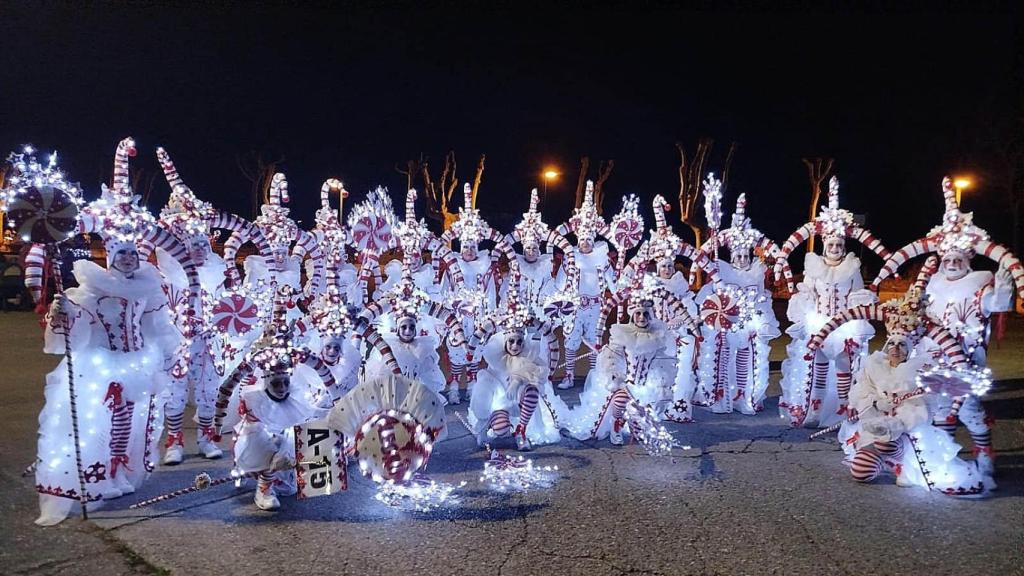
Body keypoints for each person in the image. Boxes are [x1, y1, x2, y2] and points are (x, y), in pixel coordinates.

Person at [872, 177, 1023, 477]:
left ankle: (983, 453)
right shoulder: (933, 286)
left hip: (965, 360)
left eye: (958, 258)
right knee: (937, 410)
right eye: (948, 258)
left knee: (967, 410)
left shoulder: (979, 286)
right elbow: (916, 316)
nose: (952, 262)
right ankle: (943, 457)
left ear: (967, 259)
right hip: (932, 357)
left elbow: (996, 306)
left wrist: (1006, 285)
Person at [836, 290, 992, 496]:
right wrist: (875, 404)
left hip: (908, 432)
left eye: (902, 345)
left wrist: (897, 421)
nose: (895, 349)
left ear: (909, 350)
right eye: (892, 343)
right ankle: (885, 459)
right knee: (861, 472)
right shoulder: (873, 366)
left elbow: (923, 407)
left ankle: (902, 464)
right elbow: (860, 393)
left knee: (887, 441)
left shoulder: (920, 371)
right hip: (875, 426)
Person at [775, 177, 887, 427]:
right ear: (825, 245)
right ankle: (815, 409)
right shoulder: (814, 267)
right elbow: (807, 291)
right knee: (818, 367)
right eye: (831, 244)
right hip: (819, 323)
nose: (835, 247)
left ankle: (843, 410)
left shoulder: (852, 269)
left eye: (839, 244)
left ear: (843, 245)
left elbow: (858, 295)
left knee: (845, 366)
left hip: (844, 325)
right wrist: (804, 297)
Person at [155, 147, 230, 464]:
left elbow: (228, 305)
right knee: (174, 393)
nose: (199, 249)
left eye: (203, 243)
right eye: (192, 244)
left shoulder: (216, 271)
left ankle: (205, 438)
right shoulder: (168, 272)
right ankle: (174, 442)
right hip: (176, 342)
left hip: (209, 342)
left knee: (208, 392)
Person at [694, 194, 781, 415]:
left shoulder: (756, 274)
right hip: (725, 325)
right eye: (738, 255)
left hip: (749, 325)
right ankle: (720, 396)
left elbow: (762, 300)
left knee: (746, 359)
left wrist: (761, 324)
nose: (742, 259)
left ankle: (744, 396)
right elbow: (711, 298)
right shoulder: (721, 271)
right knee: (721, 360)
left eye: (745, 255)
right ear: (731, 255)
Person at [556, 181, 617, 390]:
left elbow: (612, 282)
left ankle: (593, 378)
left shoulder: (602, 259)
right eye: (582, 241)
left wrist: (620, 293)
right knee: (571, 341)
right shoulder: (570, 259)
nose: (585, 244)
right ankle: (569, 376)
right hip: (574, 305)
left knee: (593, 341)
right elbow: (560, 282)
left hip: (595, 306)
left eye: (588, 241)